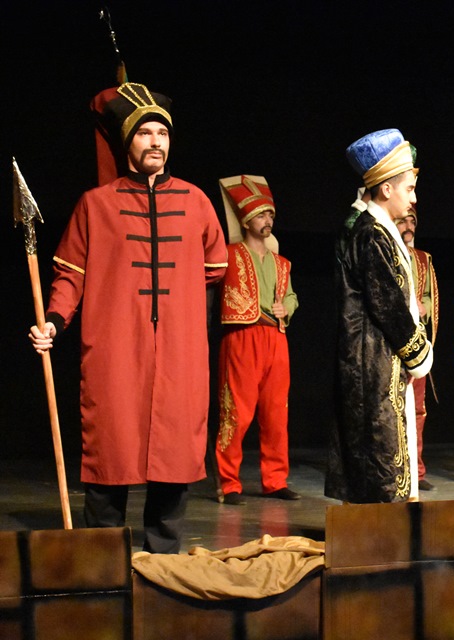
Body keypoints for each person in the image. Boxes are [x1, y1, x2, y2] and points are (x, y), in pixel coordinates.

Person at [28, 82, 228, 553]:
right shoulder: (95, 204)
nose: (156, 142)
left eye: (163, 133)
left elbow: (215, 267)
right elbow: (71, 274)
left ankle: (164, 562)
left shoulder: (196, 202)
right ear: (127, 142)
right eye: (145, 134)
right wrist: (54, 320)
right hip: (115, 347)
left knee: (174, 454)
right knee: (110, 451)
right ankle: (102, 560)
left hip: (179, 350)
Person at [327, 129, 433, 503]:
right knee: (380, 456)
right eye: (409, 189)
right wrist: (420, 354)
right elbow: (388, 306)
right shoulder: (372, 234)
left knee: (367, 454)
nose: (414, 198)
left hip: (366, 359)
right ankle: (383, 530)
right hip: (373, 362)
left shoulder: (367, 227)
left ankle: (372, 525)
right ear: (387, 189)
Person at [214, 175, 299, 505]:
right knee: (236, 411)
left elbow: (291, 296)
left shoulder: (282, 263)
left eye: (270, 215)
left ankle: (275, 480)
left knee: (277, 414)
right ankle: (228, 482)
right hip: (243, 335)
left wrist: (286, 307)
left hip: (276, 337)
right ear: (247, 220)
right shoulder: (228, 254)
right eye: (261, 215)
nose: (268, 220)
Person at [397, 207, 439, 491]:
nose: (409, 225)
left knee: (417, 409)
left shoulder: (423, 259)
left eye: (412, 220)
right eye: (403, 220)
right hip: (392, 341)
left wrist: (425, 307)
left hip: (417, 341)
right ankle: (395, 472)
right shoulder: (386, 252)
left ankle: (417, 472)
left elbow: (430, 296)